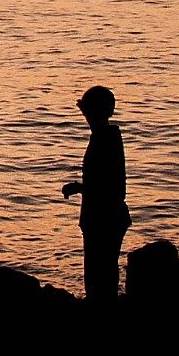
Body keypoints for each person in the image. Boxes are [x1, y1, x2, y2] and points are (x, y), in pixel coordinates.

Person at [61, 85, 129, 303]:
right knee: (101, 273)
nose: (85, 116)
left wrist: (80, 188)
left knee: (100, 275)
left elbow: (113, 187)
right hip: (102, 217)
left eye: (88, 110)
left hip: (104, 218)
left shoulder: (106, 139)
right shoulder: (104, 137)